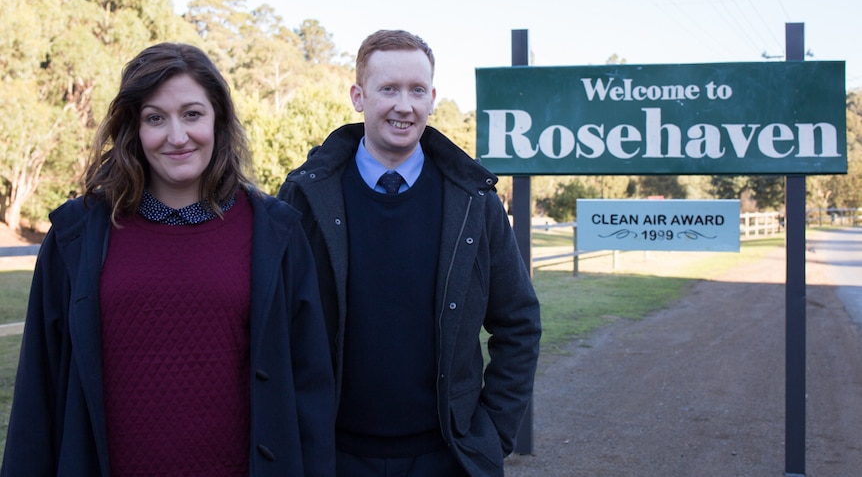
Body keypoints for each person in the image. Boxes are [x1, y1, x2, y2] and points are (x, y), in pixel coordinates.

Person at [1, 43, 335, 477]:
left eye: (192, 114)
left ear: (218, 118)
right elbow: (37, 392)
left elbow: (309, 390)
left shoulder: (276, 234)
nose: (177, 136)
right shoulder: (76, 236)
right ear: (133, 129)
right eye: (155, 118)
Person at [277, 29, 541, 477]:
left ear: (433, 98)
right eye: (388, 89)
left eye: (417, 90)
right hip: (332, 457)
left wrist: (492, 435)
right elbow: (274, 330)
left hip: (447, 458)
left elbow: (519, 323)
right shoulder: (304, 197)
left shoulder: (473, 201)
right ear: (358, 97)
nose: (405, 105)